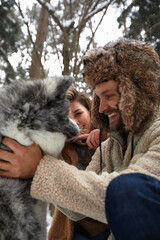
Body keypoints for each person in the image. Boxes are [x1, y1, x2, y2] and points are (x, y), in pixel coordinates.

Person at [0, 38, 160, 240]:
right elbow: (75, 211)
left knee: (126, 188)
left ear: (136, 92)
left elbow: (125, 198)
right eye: (98, 98)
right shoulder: (110, 146)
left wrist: (39, 167)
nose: (100, 108)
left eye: (109, 96)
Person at [48, 86, 108, 240]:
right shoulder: (59, 152)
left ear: (90, 111)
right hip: (74, 232)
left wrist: (106, 137)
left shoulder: (110, 138)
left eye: (78, 114)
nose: (74, 123)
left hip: (111, 227)